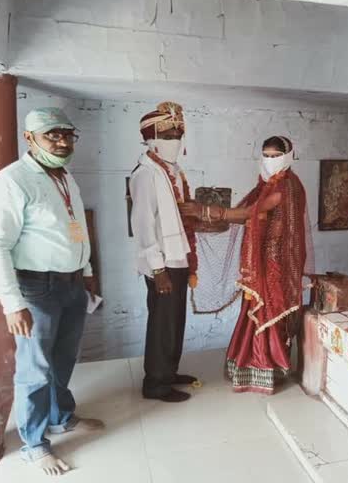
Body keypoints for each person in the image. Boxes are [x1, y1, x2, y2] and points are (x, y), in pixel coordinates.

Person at [0, 107, 104, 476]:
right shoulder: (12, 181)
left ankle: (60, 418)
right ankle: (34, 444)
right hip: (35, 289)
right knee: (34, 370)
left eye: (67, 135)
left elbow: (76, 228)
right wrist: (11, 302)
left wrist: (86, 273)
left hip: (70, 285)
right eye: (53, 135)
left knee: (63, 359)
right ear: (29, 138)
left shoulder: (66, 178)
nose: (63, 142)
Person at [180, 136, 309, 394]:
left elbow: (255, 212)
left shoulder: (287, 186)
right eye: (266, 155)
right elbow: (250, 210)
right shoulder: (265, 185)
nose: (270, 161)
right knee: (254, 307)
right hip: (259, 259)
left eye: (275, 155)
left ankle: (267, 368)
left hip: (276, 263)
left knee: (268, 310)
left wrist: (208, 212)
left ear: (289, 156)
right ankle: (251, 363)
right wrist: (209, 218)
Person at [129, 102, 199, 403]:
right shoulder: (146, 174)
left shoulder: (172, 170)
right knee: (162, 323)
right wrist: (158, 270)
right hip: (162, 264)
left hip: (177, 257)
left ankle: (168, 372)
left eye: (178, 132)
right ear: (151, 137)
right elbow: (143, 225)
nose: (175, 139)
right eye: (168, 133)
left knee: (174, 320)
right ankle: (155, 383)